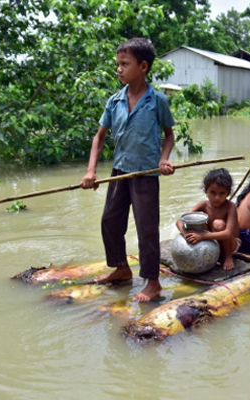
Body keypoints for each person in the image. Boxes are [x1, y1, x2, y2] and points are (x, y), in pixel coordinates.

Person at [80, 38, 175, 302]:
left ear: (143, 66)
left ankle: (152, 282)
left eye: (125, 64)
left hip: (146, 175)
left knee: (146, 227)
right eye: (118, 64)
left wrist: (164, 160)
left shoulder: (157, 101)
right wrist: (91, 171)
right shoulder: (115, 101)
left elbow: (169, 135)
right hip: (120, 171)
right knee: (110, 220)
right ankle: (121, 268)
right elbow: (99, 138)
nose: (119, 69)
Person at [176, 168, 240, 270]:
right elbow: (180, 221)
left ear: (228, 193)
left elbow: (228, 233)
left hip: (231, 244)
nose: (217, 198)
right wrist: (185, 234)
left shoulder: (230, 207)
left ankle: (227, 257)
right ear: (206, 191)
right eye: (213, 193)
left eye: (222, 193)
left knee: (218, 224)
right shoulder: (204, 204)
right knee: (197, 223)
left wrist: (202, 236)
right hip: (213, 240)